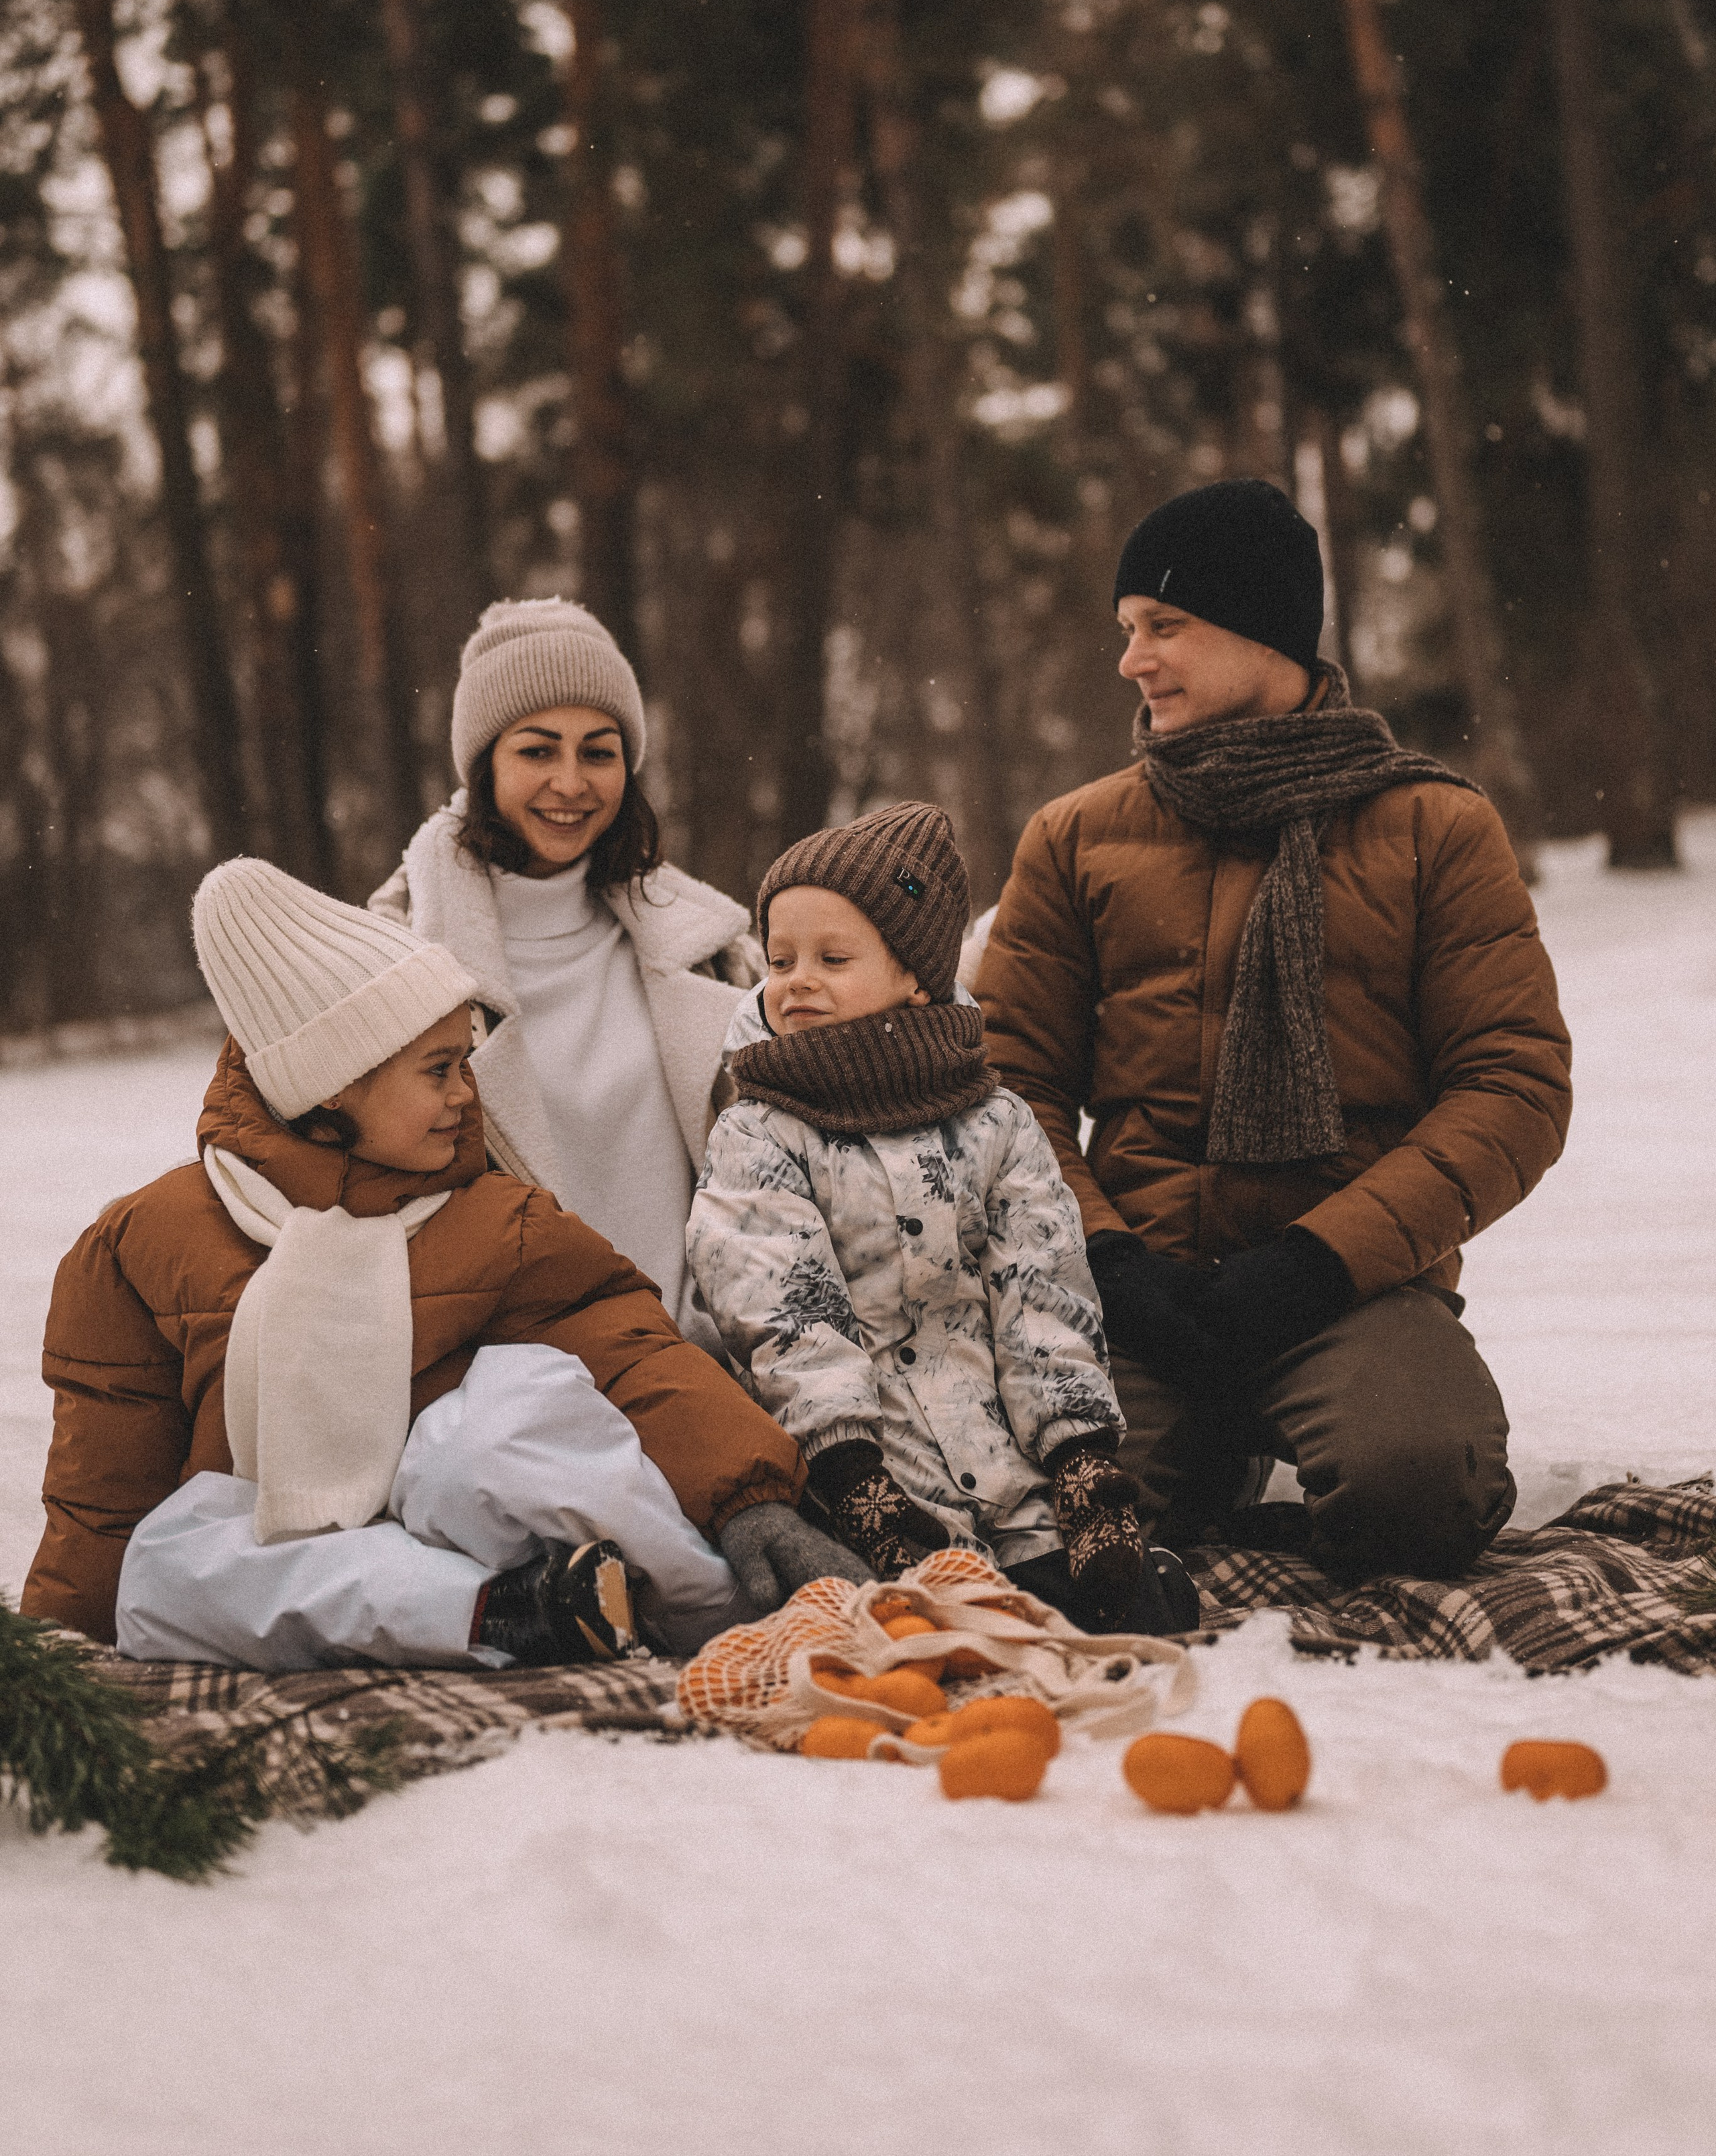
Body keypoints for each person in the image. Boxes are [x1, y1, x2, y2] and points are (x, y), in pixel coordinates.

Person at [19, 859, 865, 1672]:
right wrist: (55, 1674)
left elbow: (639, 1358)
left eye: (465, 1058)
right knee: (172, 1553)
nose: (469, 1092)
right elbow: (103, 1502)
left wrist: (751, 1500)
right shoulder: (142, 1243)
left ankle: (702, 1600)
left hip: (481, 1521)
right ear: (332, 1087)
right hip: (316, 1570)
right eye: (438, 1069)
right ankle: (512, 1613)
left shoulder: (499, 1218)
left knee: (505, 1416)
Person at [975, 477, 1574, 1580]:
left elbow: (1514, 1088)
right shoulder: (1075, 838)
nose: (1132, 661)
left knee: (1422, 1494)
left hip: (1352, 1283)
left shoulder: (1433, 827)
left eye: (1165, 627)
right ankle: (1201, 1450)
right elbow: (1011, 1091)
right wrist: (1105, 1258)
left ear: (1263, 630)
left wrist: (1316, 1262)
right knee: (1042, 1530)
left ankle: (1302, 1427)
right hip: (1142, 1285)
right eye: (1126, 631)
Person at [686, 802, 1199, 1636]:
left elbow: (1044, 1294)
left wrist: (1079, 1463)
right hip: (859, 1475)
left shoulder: (993, 1123)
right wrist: (855, 1478)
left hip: (1009, 1467)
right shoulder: (761, 1129)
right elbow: (783, 1309)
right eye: (779, 960)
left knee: (1115, 1610)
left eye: (832, 957)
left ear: (916, 977)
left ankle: (1093, 1558)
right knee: (926, 1625)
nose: (796, 979)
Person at [370, 597, 761, 1362]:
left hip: (696, 1361)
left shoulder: (713, 948)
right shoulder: (393, 957)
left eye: (599, 751)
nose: (572, 783)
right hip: (505, 1375)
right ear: (486, 765)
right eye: (538, 751)